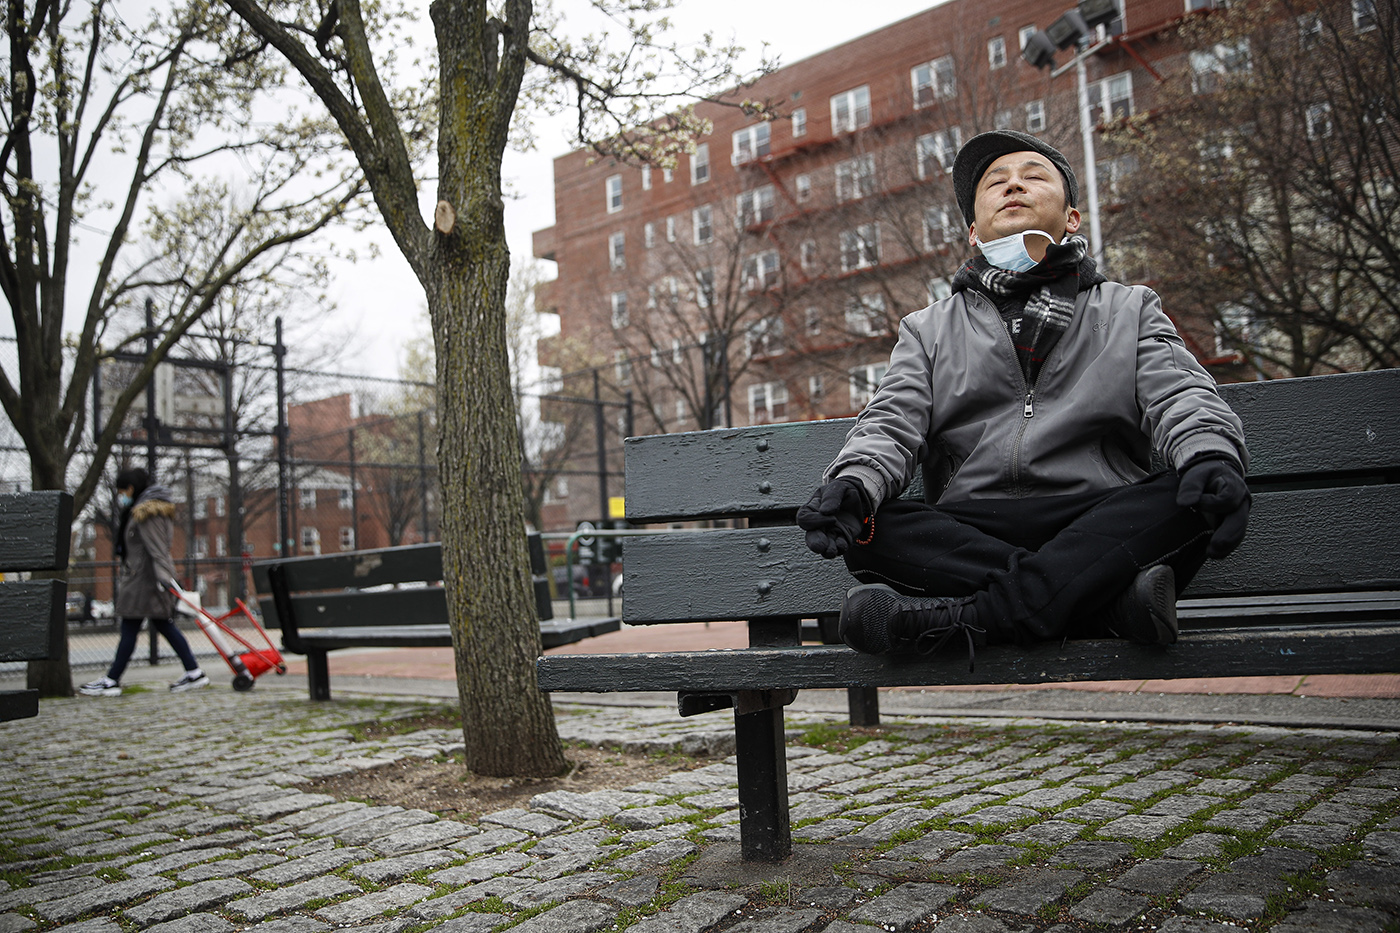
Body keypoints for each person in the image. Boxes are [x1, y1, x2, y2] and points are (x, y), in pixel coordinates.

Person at [797, 130, 1251, 667]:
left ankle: (950, 621)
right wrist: (853, 485)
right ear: (972, 231)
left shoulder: (1129, 309)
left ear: (1072, 218)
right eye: (996, 182)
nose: (1013, 184)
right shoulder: (927, 329)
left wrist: (1210, 455)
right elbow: (892, 420)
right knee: (871, 527)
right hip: (976, 523)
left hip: (1097, 514)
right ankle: (1102, 608)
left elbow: (1180, 393)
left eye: (1034, 176)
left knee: (1187, 498)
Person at [80, 468, 210, 695]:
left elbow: (158, 549)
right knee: (162, 625)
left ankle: (112, 680)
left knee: (132, 626)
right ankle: (193, 672)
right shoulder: (146, 510)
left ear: (130, 488)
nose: (121, 496)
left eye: (122, 491)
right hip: (145, 578)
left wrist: (165, 578)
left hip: (145, 580)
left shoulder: (148, 512)